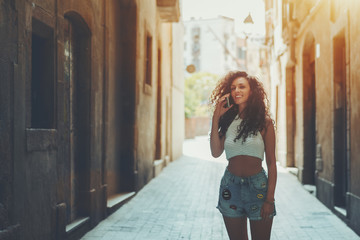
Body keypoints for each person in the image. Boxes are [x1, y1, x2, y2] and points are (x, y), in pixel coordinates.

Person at [209, 71, 277, 240]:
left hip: (258, 188)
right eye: (233, 88)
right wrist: (216, 117)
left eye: (241, 86)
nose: (236, 91)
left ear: (252, 91)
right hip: (230, 187)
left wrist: (269, 199)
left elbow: (272, 163)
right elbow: (216, 152)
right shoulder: (228, 122)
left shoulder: (264, 122)